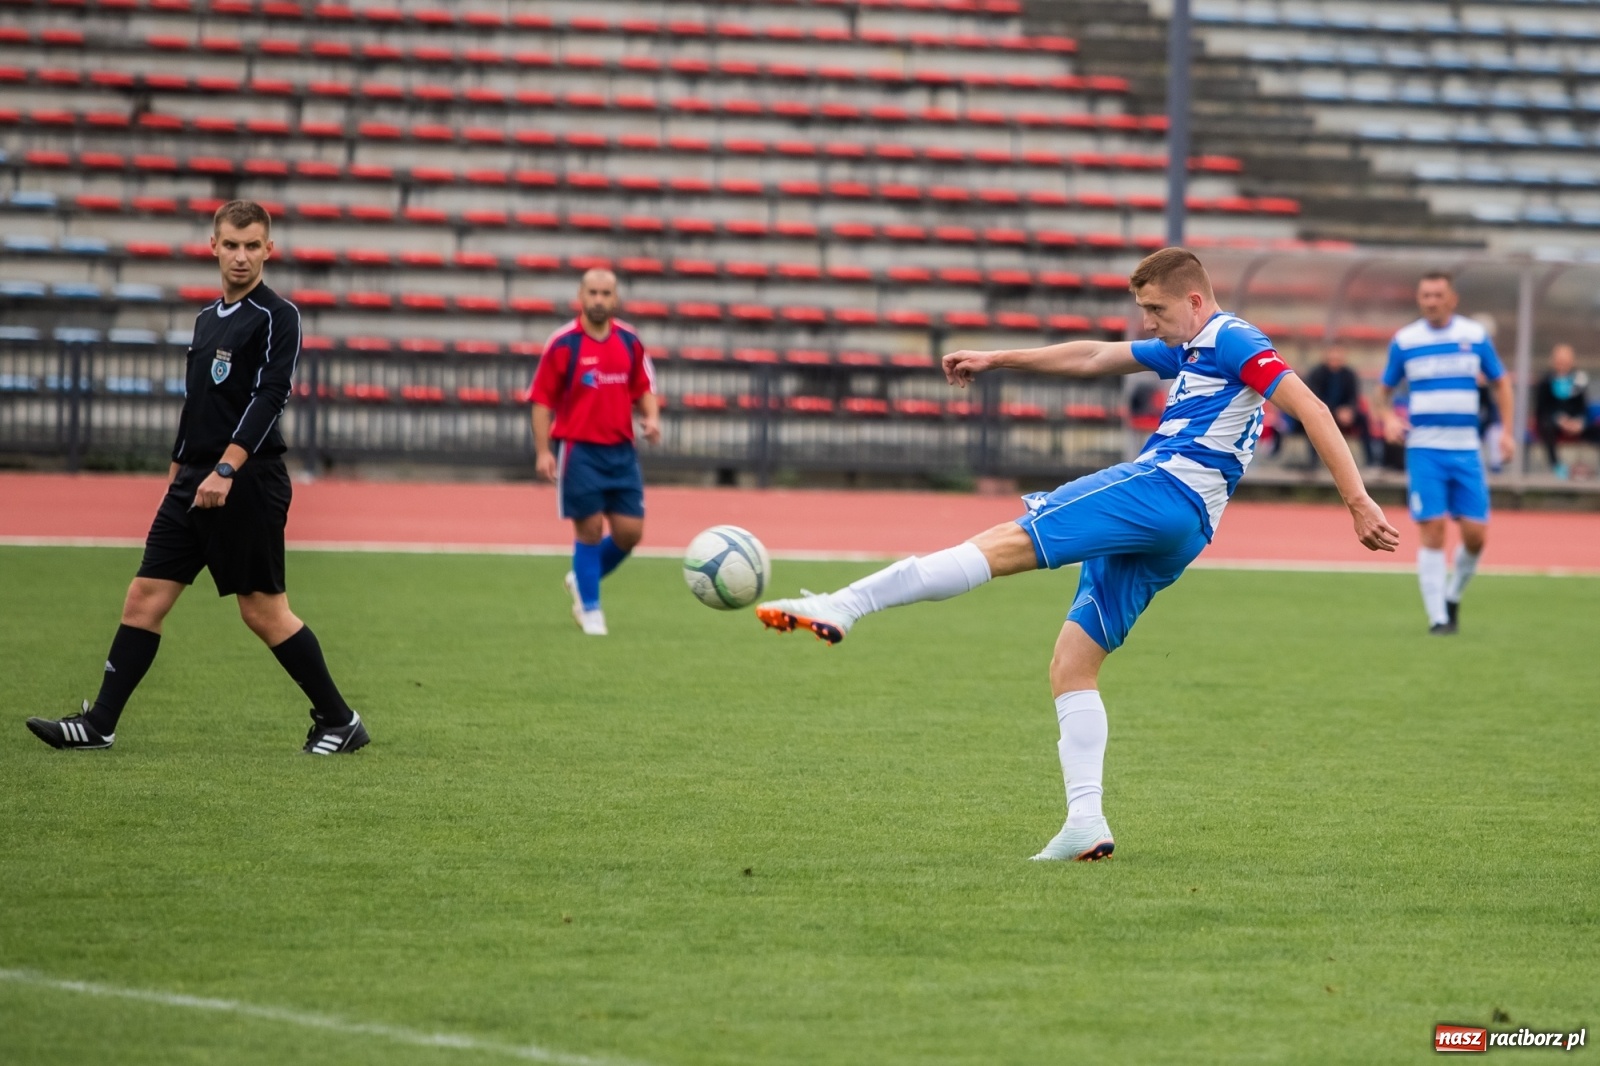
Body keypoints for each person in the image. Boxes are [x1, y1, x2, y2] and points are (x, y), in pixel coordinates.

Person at [755, 248, 1399, 861]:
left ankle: (846, 604)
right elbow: (1094, 355)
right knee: (1072, 664)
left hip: (1162, 487)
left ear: (1196, 299)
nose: (1149, 324)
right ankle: (1085, 821)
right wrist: (998, 359)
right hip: (1189, 526)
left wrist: (1358, 501)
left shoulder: (1232, 338)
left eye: (1156, 311)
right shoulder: (1191, 345)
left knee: (1005, 541)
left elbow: (1309, 404)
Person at [25, 200, 367, 754]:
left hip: (246, 480)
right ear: (213, 246)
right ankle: (100, 724)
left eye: (252, 245)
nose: (241, 256)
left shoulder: (279, 315)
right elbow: (197, 403)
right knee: (144, 597)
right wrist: (179, 469)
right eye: (231, 244)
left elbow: (269, 397)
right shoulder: (207, 319)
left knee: (262, 611)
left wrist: (228, 466)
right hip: (194, 481)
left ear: (268, 250)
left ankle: (339, 720)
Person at [1374, 272, 1513, 635]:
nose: (1431, 301)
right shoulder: (1405, 341)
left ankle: (1453, 596)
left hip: (1467, 449)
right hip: (1425, 451)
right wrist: (1388, 418)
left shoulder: (1474, 336)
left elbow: (1500, 382)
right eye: (1425, 295)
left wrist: (1508, 433)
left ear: (1452, 299)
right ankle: (1438, 618)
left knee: (1476, 536)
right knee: (1433, 530)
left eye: (1438, 295)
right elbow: (1383, 391)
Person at [530, 268, 660, 636]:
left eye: (606, 293)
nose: (599, 300)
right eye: (593, 293)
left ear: (615, 298)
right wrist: (543, 451)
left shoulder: (629, 342)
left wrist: (651, 418)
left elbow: (644, 386)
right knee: (588, 530)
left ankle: (580, 578)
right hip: (580, 450)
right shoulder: (563, 343)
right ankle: (591, 611)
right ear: (581, 296)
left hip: (622, 452)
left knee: (630, 534)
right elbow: (541, 401)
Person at [1534, 343, 1598, 479]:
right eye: (1559, 360)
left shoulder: (1579, 380)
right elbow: (1542, 409)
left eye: (1566, 360)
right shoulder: (1545, 382)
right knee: (1547, 428)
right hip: (1552, 423)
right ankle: (1556, 466)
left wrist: (1579, 422)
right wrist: (1560, 420)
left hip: (1575, 423)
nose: (1562, 364)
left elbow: (1582, 407)